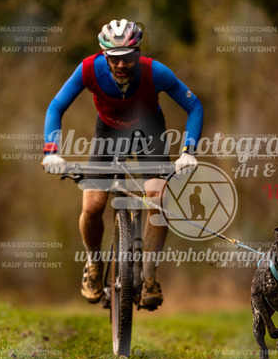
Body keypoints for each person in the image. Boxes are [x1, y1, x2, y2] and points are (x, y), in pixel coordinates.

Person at [42, 19, 203, 309]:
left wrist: (188, 151)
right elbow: (56, 106)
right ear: (104, 55)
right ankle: (94, 265)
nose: (121, 65)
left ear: (138, 53)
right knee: (92, 205)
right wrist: (51, 151)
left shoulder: (155, 72)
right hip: (109, 133)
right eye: (114, 58)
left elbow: (194, 106)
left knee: (158, 200)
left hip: (149, 132)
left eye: (128, 57)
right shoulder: (89, 69)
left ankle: (149, 277)